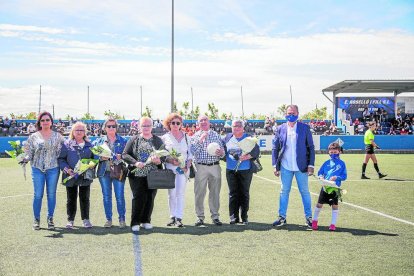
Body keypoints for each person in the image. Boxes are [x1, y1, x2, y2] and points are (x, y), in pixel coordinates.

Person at [272, 105, 315, 228]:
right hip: (285, 167)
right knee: (284, 192)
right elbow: (275, 148)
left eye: (293, 113)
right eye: (289, 113)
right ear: (285, 114)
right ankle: (282, 217)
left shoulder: (305, 128)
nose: (291, 115)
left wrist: (311, 165)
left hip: (301, 167)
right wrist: (275, 165)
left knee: (305, 192)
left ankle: (309, 218)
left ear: (298, 114)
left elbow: (311, 147)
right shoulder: (280, 129)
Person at [23, 111, 64, 230]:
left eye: (47, 120)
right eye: (43, 120)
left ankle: (50, 218)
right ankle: (36, 219)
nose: (45, 122)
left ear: (51, 122)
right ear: (39, 122)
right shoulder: (33, 137)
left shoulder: (58, 136)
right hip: (37, 169)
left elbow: (63, 152)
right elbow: (28, 153)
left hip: (53, 169)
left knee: (51, 195)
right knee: (38, 195)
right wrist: (24, 158)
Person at [122, 117, 164, 232]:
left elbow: (164, 155)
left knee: (150, 197)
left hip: (153, 174)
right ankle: (135, 222)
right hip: (137, 174)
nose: (146, 128)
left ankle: (146, 221)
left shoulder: (157, 140)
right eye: (144, 125)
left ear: (152, 127)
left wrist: (159, 160)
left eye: (148, 125)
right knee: (138, 197)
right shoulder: (134, 139)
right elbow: (125, 154)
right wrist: (135, 162)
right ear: (139, 127)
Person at [58, 121, 97, 229]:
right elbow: (61, 159)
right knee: (71, 198)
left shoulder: (90, 145)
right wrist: (67, 170)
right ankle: (70, 220)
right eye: (77, 130)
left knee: (85, 198)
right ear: (72, 132)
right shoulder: (66, 144)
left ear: (85, 132)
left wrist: (92, 164)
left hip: (85, 176)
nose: (79, 132)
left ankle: (86, 219)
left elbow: (95, 159)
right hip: (71, 176)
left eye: (81, 130)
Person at [222, 119, 260, 225]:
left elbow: (256, 151)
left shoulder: (249, 138)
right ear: (231, 127)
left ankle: (244, 217)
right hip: (231, 170)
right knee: (233, 194)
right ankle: (233, 217)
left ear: (243, 127)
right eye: (234, 126)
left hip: (245, 170)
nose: (237, 127)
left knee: (244, 193)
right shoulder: (227, 138)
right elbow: (222, 151)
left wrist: (246, 157)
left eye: (239, 125)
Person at [190, 115, 225, 226]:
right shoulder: (195, 136)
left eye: (205, 120)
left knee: (215, 193)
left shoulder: (215, 135)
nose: (204, 122)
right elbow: (193, 151)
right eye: (201, 120)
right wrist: (201, 139)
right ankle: (199, 217)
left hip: (215, 166)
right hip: (201, 167)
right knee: (199, 193)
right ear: (198, 123)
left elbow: (222, 151)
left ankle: (215, 216)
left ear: (209, 122)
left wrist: (221, 153)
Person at [93, 118, 128, 228]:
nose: (111, 128)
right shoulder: (99, 141)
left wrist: (121, 156)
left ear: (116, 128)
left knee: (119, 196)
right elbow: (93, 156)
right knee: (107, 196)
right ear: (105, 128)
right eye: (109, 126)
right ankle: (109, 220)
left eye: (113, 126)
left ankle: (122, 219)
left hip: (118, 171)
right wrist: (100, 157)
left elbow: (128, 156)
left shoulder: (123, 141)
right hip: (104, 172)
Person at [161, 113, 193, 227]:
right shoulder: (164, 138)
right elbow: (162, 155)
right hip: (170, 169)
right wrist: (170, 160)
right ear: (169, 124)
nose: (175, 125)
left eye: (177, 123)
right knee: (171, 194)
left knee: (180, 194)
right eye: (172, 122)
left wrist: (187, 166)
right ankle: (172, 217)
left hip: (183, 170)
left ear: (181, 124)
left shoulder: (187, 137)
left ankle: (179, 217)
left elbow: (190, 155)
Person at [312, 142, 347, 231]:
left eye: (335, 152)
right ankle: (314, 221)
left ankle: (333, 224)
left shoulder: (342, 164)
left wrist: (336, 177)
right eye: (331, 153)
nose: (333, 154)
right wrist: (321, 176)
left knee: (334, 206)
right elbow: (320, 172)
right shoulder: (326, 163)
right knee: (319, 204)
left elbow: (344, 176)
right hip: (325, 187)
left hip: (335, 188)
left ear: (339, 152)